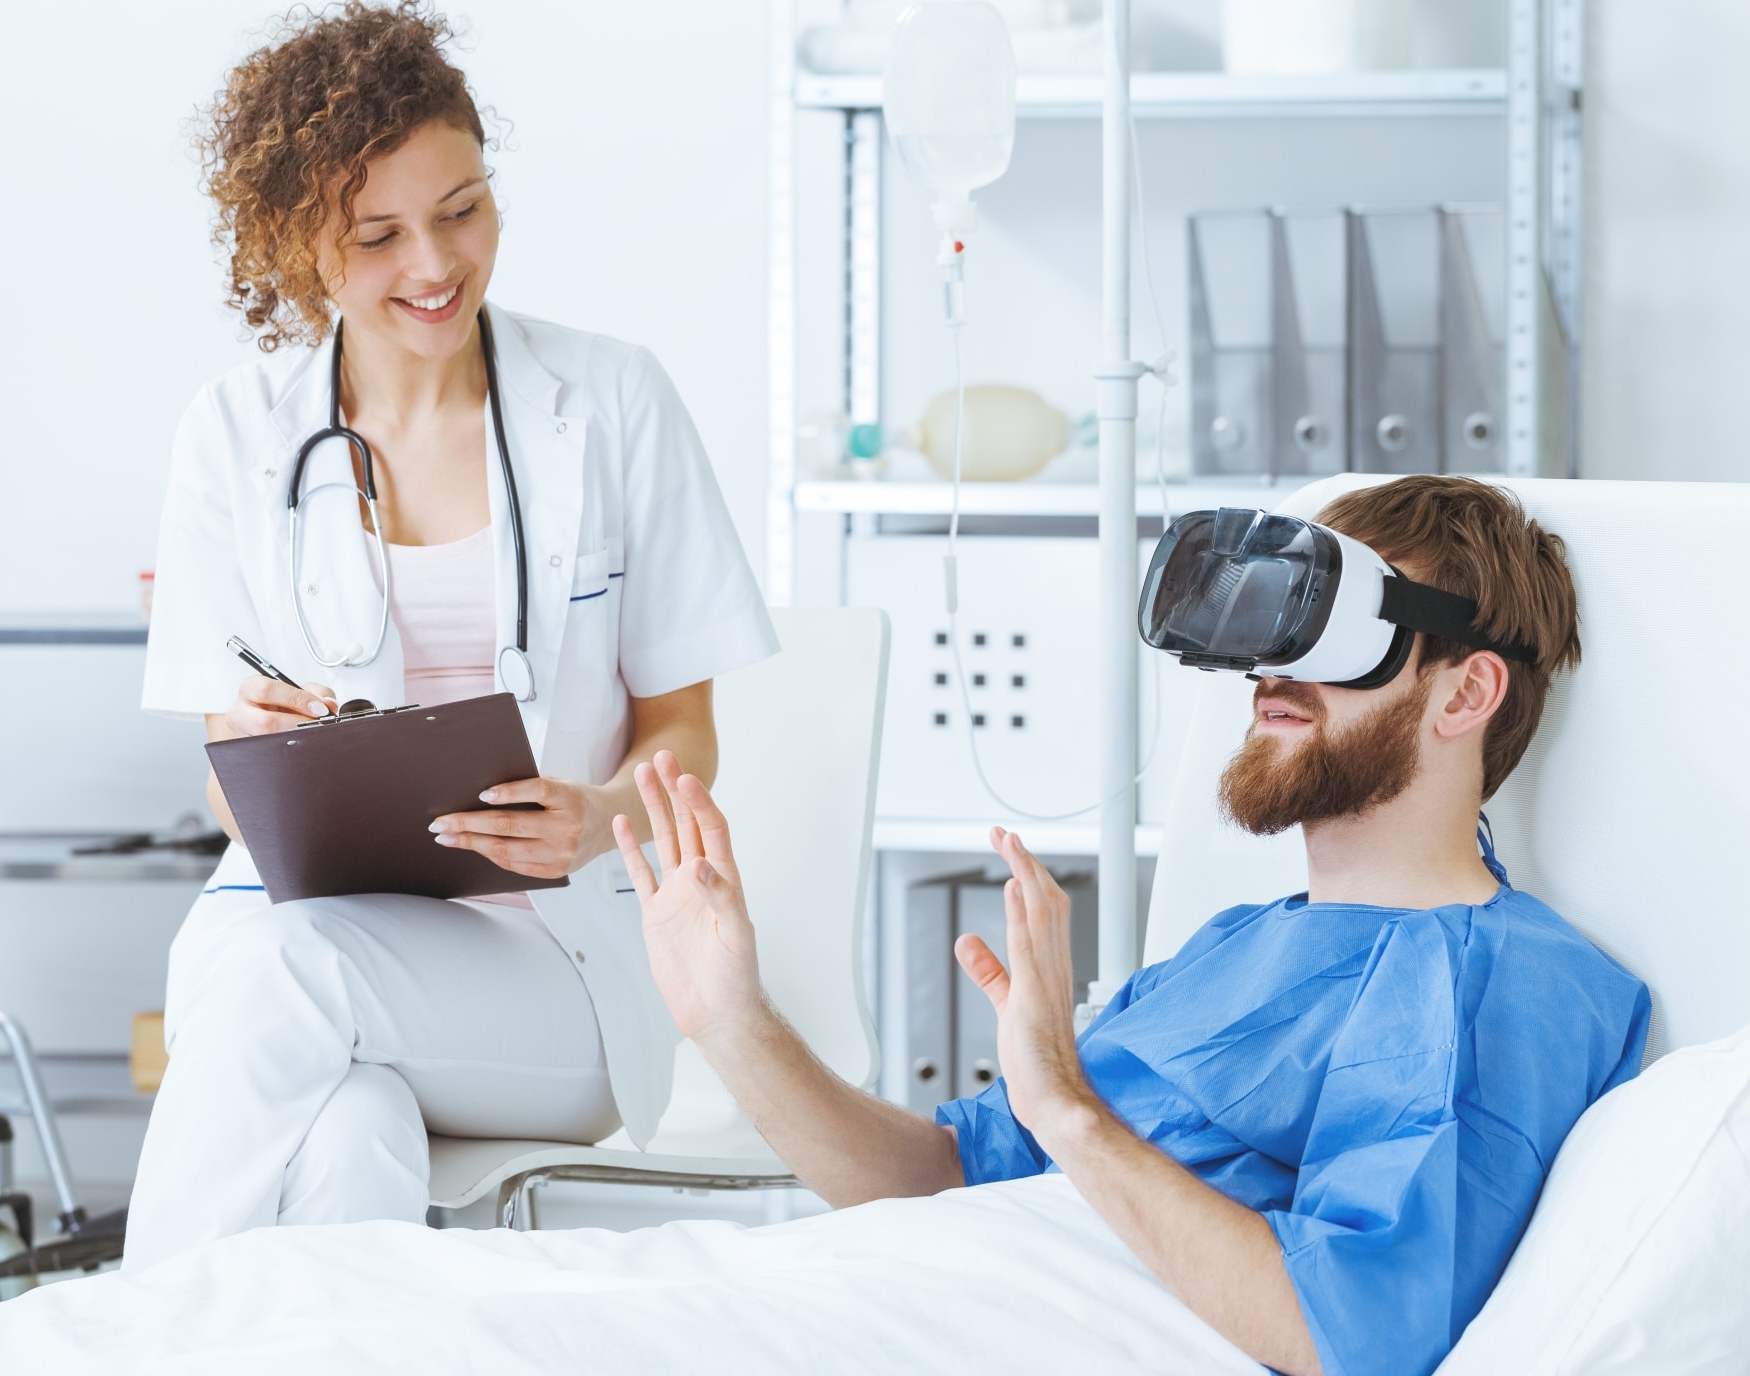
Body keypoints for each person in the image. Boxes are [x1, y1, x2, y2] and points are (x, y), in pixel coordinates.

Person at [615, 477, 1650, 1376]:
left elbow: (1352, 1334)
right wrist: (731, 1020)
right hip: (876, 1296)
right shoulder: (1235, 943)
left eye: (1327, 627)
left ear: (1464, 688)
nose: (1269, 673)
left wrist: (1068, 1110)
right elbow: (933, 1179)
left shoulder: (1491, 976)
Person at [127, 3, 775, 1270]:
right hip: (308, 930)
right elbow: (225, 769)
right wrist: (261, 748)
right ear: (294, 244)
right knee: (352, 1137)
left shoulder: (612, 400)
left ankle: (116, 1338)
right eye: (376, 235)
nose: (434, 263)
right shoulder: (232, 433)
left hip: (558, 964)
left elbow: (685, 730)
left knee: (285, 975)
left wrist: (598, 815)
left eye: (462, 207)